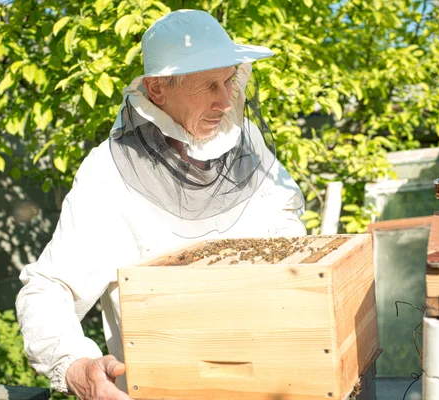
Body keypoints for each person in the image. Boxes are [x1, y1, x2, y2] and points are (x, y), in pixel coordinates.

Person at [16, 9, 307, 400]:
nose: (224, 101)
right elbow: (48, 288)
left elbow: (286, 222)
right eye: (208, 86)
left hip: (274, 383)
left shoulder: (245, 142)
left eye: (228, 81)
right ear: (157, 90)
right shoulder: (108, 173)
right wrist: (74, 365)